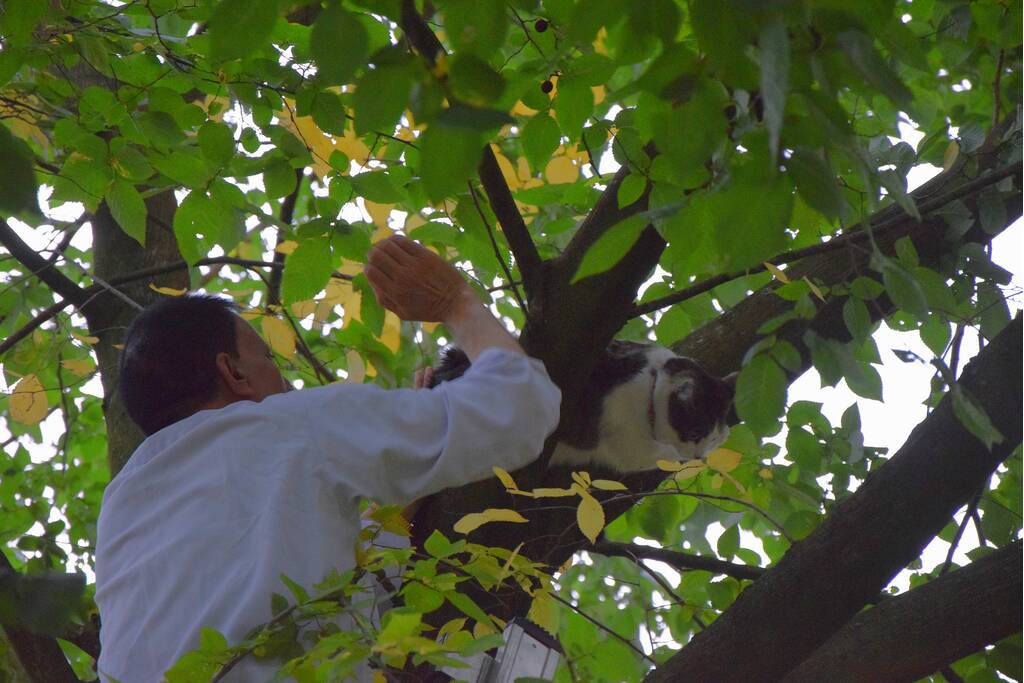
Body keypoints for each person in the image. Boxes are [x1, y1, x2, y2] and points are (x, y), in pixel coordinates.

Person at [94, 235, 561, 682]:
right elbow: (517, 406)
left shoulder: (121, 511)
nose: (287, 385)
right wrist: (455, 302)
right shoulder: (285, 426)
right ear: (233, 372)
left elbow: (325, 599)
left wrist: (409, 484)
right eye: (269, 363)